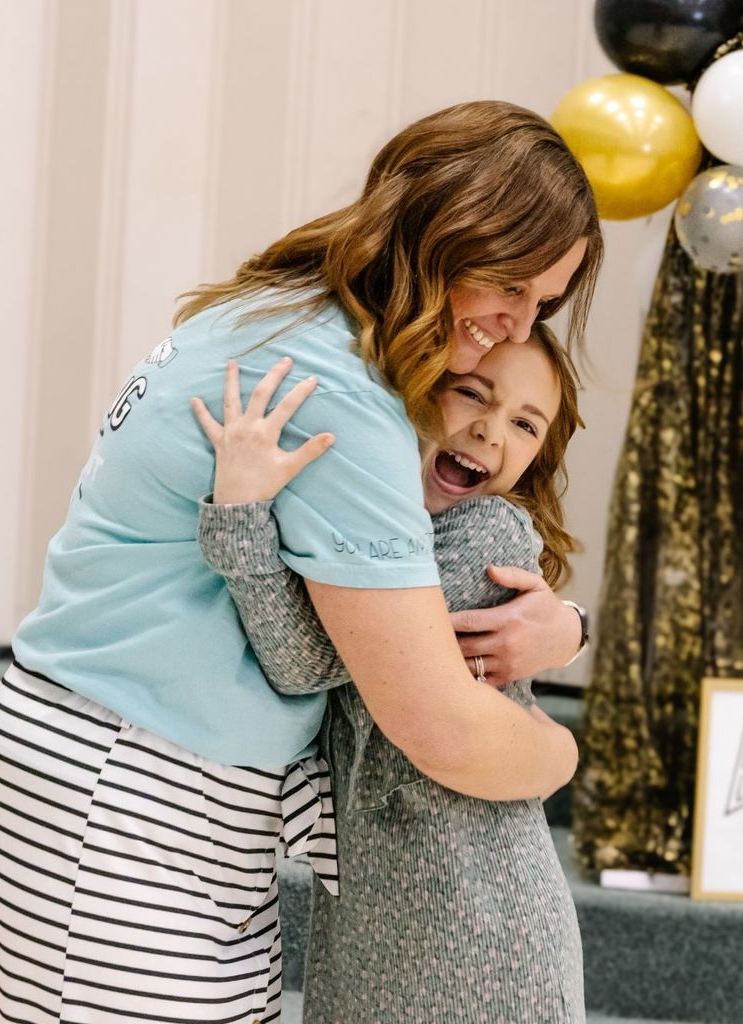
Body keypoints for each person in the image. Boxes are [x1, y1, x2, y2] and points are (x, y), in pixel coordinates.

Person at [0, 101, 602, 1024]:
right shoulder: (336, 390)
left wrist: (565, 625)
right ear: (455, 231)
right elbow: (441, 727)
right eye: (514, 286)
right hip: (133, 797)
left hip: (83, 765)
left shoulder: (271, 310)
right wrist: (563, 753)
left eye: (545, 303)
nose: (520, 322)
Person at [196, 323, 587, 1023]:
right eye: (472, 393)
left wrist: (240, 517)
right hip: (378, 900)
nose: (490, 432)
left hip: (476, 918)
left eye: (525, 424)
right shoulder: (382, 523)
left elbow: (306, 662)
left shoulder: (482, 535)